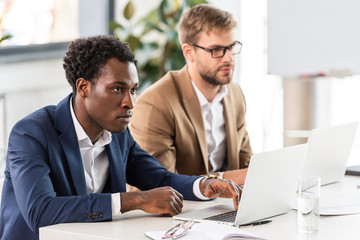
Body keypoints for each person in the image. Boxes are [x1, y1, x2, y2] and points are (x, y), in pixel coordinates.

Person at [0, 35, 242, 240]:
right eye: (117, 89)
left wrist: (205, 185)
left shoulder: (117, 133)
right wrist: (134, 200)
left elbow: (159, 178)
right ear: (84, 87)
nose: (130, 102)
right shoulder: (31, 133)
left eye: (133, 89)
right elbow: (40, 211)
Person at [129, 4, 253, 186]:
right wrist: (222, 181)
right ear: (189, 52)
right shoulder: (156, 103)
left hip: (225, 207)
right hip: (176, 211)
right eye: (216, 50)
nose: (229, 58)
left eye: (231, 47)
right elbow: (159, 184)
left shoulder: (235, 95)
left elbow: (247, 167)